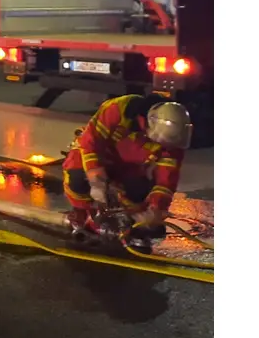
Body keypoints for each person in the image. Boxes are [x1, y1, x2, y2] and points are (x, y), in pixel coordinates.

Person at [62, 94, 193, 237]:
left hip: (127, 167)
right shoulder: (119, 109)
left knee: (138, 195)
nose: (163, 147)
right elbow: (91, 143)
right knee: (77, 179)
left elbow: (166, 181)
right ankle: (81, 214)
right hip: (92, 158)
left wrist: (155, 209)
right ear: (150, 124)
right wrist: (96, 182)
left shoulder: (174, 137)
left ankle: (113, 224)